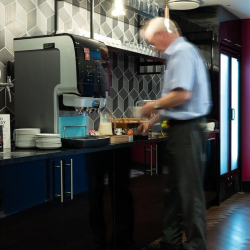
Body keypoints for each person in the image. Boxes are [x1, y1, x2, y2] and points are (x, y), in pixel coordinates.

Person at [138, 17, 212, 250]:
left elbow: (182, 95)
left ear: (161, 34)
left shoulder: (181, 52)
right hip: (182, 130)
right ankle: (170, 242)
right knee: (175, 191)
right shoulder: (181, 54)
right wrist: (152, 120)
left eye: (152, 42)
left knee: (189, 194)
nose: (154, 47)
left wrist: (153, 105)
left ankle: (195, 245)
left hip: (186, 131)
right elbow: (175, 102)